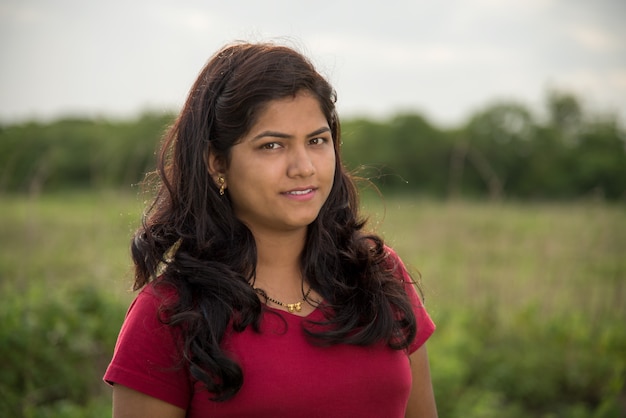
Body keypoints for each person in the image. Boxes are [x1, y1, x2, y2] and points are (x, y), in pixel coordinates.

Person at [104, 41, 437, 418]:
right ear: (217, 162)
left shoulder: (377, 274)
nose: (303, 167)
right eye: (272, 145)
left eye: (317, 141)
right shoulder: (170, 313)